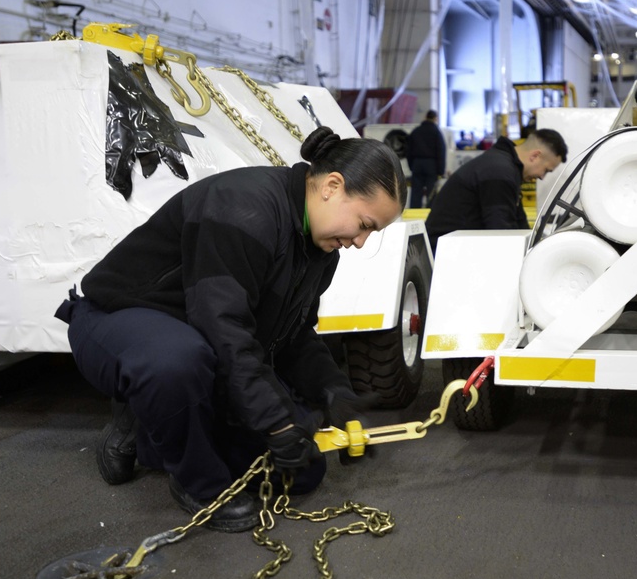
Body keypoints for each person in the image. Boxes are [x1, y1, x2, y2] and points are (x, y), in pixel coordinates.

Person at [54, 127, 406, 532]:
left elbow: (291, 335)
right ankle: (198, 483)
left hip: (199, 338)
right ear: (331, 186)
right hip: (120, 320)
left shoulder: (319, 248)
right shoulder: (244, 208)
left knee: (303, 470)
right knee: (177, 362)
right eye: (364, 224)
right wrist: (274, 419)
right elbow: (224, 330)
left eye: (371, 232)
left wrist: (333, 392)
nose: (360, 242)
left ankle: (156, 424)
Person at [424, 128, 568, 255]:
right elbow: (502, 233)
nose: (542, 177)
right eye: (546, 170)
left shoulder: (505, 166)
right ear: (535, 156)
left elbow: (517, 224)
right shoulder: (499, 172)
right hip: (445, 254)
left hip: (456, 248)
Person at [405, 110, 446, 209]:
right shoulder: (436, 132)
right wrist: (441, 171)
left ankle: (414, 216)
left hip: (417, 164)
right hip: (432, 165)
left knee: (416, 192)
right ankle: (431, 214)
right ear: (435, 119)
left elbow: (408, 149)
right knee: (431, 193)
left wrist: (412, 165)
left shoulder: (416, 131)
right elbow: (441, 151)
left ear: (425, 117)